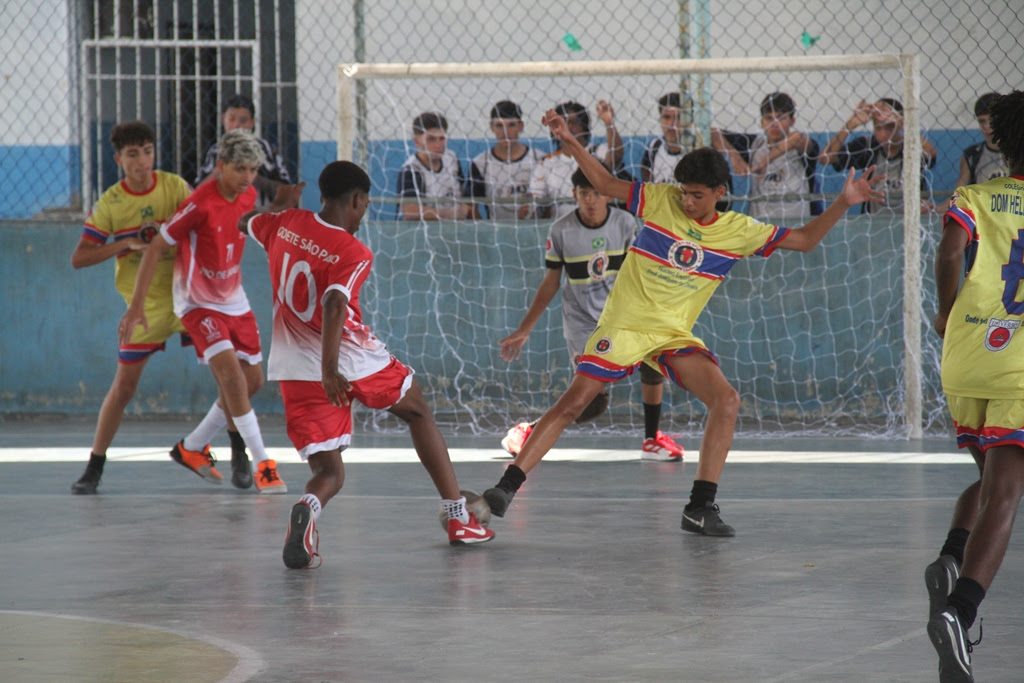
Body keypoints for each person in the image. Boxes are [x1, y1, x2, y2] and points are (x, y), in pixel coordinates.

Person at [483, 108, 883, 537]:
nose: (686, 201)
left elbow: (804, 240)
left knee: (726, 399)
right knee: (575, 402)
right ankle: (504, 489)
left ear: (719, 192)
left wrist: (843, 201)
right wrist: (569, 139)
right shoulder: (660, 200)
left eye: (695, 194)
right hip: (624, 325)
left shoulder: (739, 230)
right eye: (683, 193)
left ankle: (699, 507)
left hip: (671, 334)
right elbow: (603, 183)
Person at [241, 161, 494, 568]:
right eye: (365, 205)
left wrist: (278, 205)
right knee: (417, 410)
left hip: (291, 368)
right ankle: (457, 517)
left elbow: (245, 222)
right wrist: (330, 369)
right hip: (349, 359)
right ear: (357, 200)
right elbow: (335, 302)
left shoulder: (284, 224)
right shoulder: (352, 250)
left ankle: (307, 506)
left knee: (329, 473)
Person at [119, 129, 288, 494]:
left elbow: (243, 233)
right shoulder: (199, 203)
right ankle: (264, 465)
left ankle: (191, 447)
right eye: (240, 168)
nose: (247, 177)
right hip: (196, 302)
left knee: (253, 381)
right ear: (222, 165)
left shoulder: (250, 196)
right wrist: (135, 308)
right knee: (231, 378)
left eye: (253, 169)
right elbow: (155, 249)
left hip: (233, 298)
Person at [927, 90, 1024, 683]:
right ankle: (960, 614)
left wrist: (945, 311)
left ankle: (951, 556)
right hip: (1019, 360)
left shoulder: (975, 196)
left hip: (966, 352)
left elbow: (950, 249)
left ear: (999, 142)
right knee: (1008, 491)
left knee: (989, 478)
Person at [498, 167, 684, 462]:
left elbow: (635, 272)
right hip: (583, 321)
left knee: (653, 359)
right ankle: (528, 431)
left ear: (608, 194)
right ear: (574, 195)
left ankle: (651, 439)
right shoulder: (561, 230)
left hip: (621, 313)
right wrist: (525, 328)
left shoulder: (624, 223)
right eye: (583, 193)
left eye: (596, 192)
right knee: (592, 403)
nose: (590, 200)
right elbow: (550, 283)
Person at [69, 120, 197, 494]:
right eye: (132, 154)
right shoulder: (112, 202)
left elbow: (203, 224)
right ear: (118, 159)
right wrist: (125, 246)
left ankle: (239, 452)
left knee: (232, 372)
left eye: (147, 151)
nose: (142, 161)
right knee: (124, 387)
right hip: (145, 307)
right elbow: (79, 257)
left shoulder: (174, 187)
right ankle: (94, 466)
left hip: (188, 295)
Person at [712, 92, 824, 221]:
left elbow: (797, 138)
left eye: (781, 118)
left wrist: (762, 163)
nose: (774, 124)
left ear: (792, 121)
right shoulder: (755, 144)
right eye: (769, 118)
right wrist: (735, 158)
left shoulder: (802, 150)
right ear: (762, 122)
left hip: (796, 225)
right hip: (761, 227)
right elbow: (713, 132)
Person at [819, 97, 938, 214]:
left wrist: (906, 125)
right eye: (878, 127)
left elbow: (931, 154)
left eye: (890, 127)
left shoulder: (911, 146)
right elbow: (825, 158)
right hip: (874, 224)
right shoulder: (868, 146)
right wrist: (850, 124)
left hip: (909, 222)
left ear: (899, 125)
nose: (884, 134)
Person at [529, 100, 624, 218]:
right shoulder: (546, 163)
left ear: (584, 126)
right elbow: (536, 201)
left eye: (573, 122)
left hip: (598, 222)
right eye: (562, 122)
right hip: (562, 224)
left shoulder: (598, 152)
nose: (568, 127)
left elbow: (616, 154)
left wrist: (609, 123)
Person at [196, 94, 292, 205]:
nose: (237, 125)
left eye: (243, 120)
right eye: (231, 119)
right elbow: (196, 193)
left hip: (262, 215)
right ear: (223, 119)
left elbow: (288, 192)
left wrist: (253, 177)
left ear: (252, 123)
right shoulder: (216, 151)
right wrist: (219, 171)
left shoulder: (266, 150)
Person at [468, 100, 543, 220]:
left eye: (511, 125)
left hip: (534, 232)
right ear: (491, 127)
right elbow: (471, 207)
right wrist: (485, 231)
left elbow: (550, 205)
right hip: (496, 233)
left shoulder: (539, 159)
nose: (505, 132)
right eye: (499, 125)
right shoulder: (481, 164)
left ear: (521, 126)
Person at [397, 112, 474, 220]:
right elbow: (409, 210)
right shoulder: (412, 170)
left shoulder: (451, 158)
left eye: (442, 139)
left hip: (456, 231)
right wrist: (447, 214)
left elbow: (463, 194)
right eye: (431, 139)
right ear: (417, 141)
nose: (438, 145)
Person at [641, 92, 696, 184]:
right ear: (660, 119)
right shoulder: (654, 147)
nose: (672, 124)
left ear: (690, 120)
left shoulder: (699, 148)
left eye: (678, 118)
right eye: (666, 117)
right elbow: (647, 180)